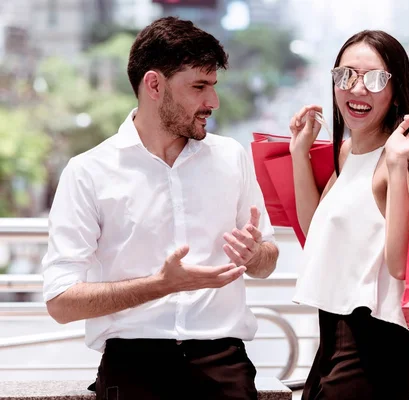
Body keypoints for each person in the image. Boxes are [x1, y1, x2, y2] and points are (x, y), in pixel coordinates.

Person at [41, 17, 279, 400]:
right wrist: (162, 285)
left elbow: (268, 261)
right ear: (154, 85)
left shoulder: (231, 158)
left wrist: (255, 255)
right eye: (199, 87)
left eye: (213, 87)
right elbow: (60, 302)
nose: (212, 103)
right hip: (133, 365)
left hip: (223, 364)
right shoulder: (88, 171)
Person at [289, 30, 409, 399]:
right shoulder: (348, 152)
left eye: (374, 79)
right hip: (332, 340)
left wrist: (400, 162)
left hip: (374, 349)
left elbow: (400, 265)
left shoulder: (397, 160)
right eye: (345, 75)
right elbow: (314, 230)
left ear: (396, 89)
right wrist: (298, 155)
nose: (357, 89)